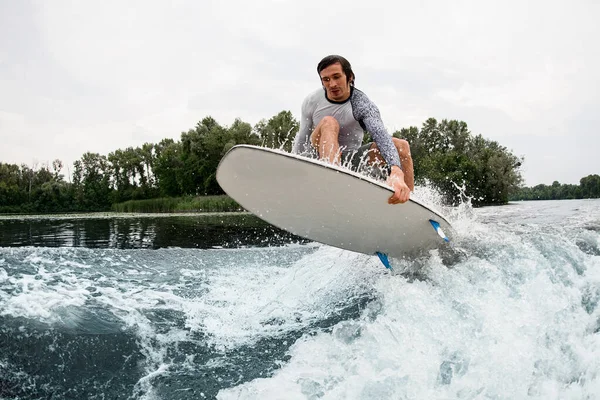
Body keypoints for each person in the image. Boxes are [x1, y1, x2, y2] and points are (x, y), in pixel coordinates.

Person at [292, 55, 415, 204]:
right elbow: (302, 138)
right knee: (329, 122)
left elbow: (381, 137)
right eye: (326, 79)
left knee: (402, 146)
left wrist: (395, 169)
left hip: (350, 160)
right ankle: (332, 181)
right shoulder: (312, 100)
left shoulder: (362, 105)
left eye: (336, 77)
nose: (332, 84)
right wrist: (293, 169)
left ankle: (406, 200)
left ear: (349, 77)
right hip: (317, 156)